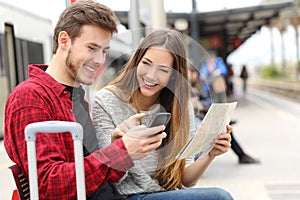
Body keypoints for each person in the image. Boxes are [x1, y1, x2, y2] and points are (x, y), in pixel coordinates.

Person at [4, 1, 166, 199]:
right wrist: (120, 152)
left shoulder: (76, 98)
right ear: (64, 41)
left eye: (104, 51)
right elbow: (48, 185)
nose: (100, 60)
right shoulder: (30, 97)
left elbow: (92, 175)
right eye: (92, 48)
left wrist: (117, 146)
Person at [92, 29, 234, 200]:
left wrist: (210, 154)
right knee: (220, 197)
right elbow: (108, 180)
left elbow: (185, 180)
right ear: (136, 61)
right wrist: (121, 149)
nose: (151, 75)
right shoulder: (106, 101)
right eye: (146, 63)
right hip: (128, 196)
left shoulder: (180, 107)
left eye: (163, 70)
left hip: (167, 194)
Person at [195, 59, 260, 164]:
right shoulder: (201, 74)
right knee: (224, 125)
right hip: (197, 115)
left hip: (206, 107)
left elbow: (222, 73)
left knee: (225, 125)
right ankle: (241, 155)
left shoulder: (216, 66)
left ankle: (241, 155)